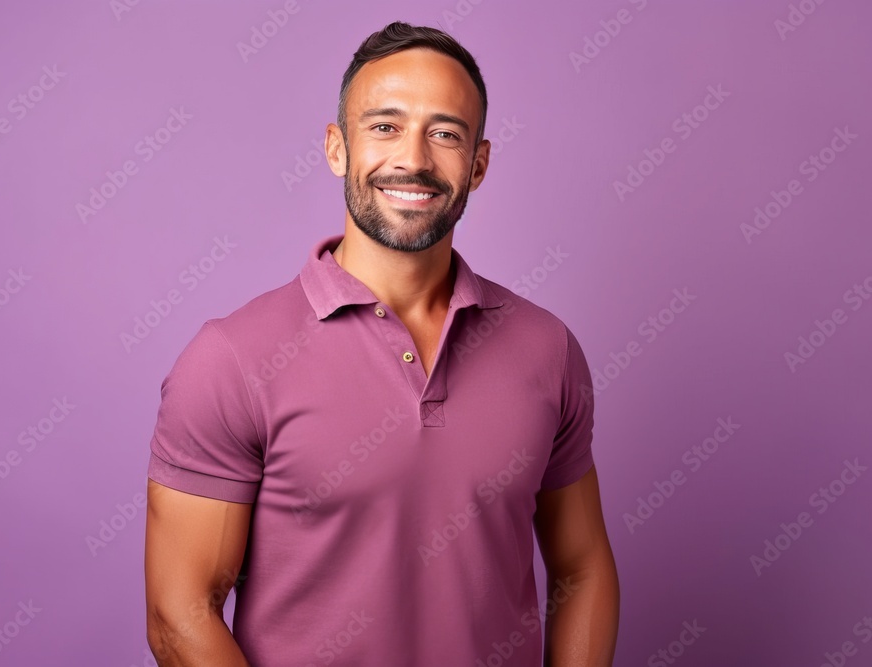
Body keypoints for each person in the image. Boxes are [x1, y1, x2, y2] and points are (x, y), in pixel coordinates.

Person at [144, 20, 619, 667]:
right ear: (337, 148)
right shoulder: (234, 360)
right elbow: (181, 614)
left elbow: (582, 565)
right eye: (386, 126)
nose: (415, 159)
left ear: (478, 163)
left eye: (446, 133)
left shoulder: (547, 350)